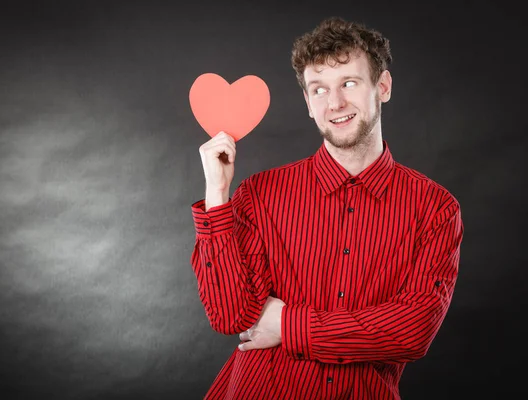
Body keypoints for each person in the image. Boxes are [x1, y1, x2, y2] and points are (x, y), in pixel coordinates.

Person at [189, 16, 464, 400]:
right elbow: (229, 315)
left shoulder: (435, 208)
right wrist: (217, 194)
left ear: (382, 87)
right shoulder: (260, 193)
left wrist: (286, 325)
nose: (334, 103)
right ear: (307, 102)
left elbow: (412, 331)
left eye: (349, 83)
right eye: (318, 89)